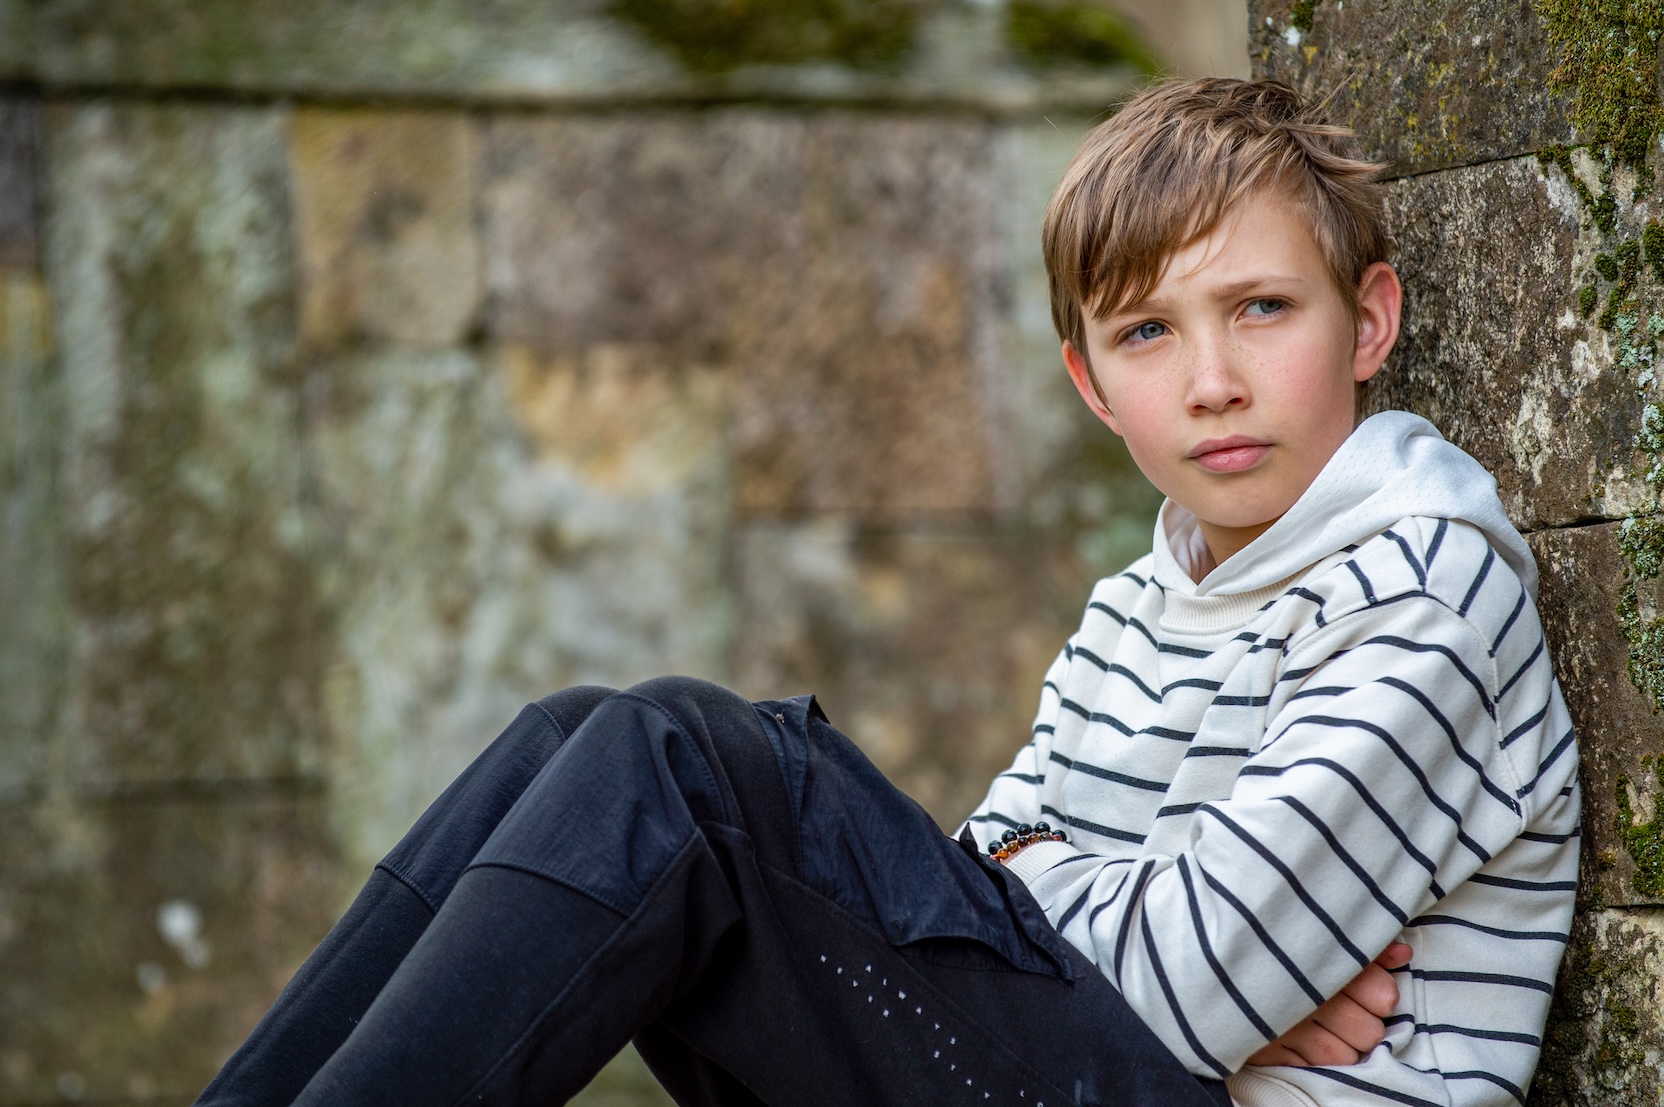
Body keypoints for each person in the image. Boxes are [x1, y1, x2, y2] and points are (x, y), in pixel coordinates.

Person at [195, 78, 1578, 1107]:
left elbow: (1161, 988)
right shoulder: (1138, 605)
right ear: (1094, 385)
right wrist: (1170, 935)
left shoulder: (1422, 595)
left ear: (1369, 322)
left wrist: (1094, 905)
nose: (1212, 380)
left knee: (676, 770)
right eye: (1150, 331)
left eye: (1262, 308)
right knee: (575, 739)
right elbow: (999, 891)